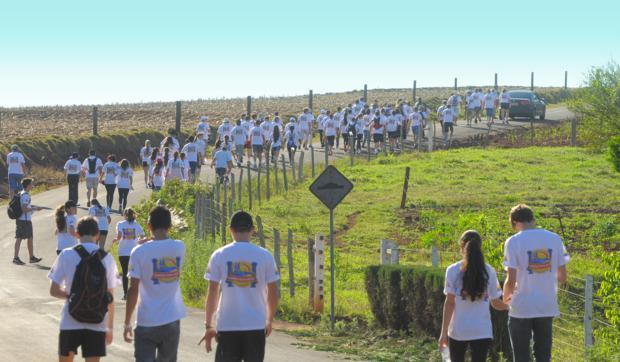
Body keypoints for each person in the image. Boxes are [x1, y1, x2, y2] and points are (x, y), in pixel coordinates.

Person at [200, 211, 280, 361]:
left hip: (227, 325)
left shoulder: (219, 255)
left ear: (230, 229)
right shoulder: (265, 256)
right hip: (256, 326)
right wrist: (269, 319)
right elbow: (273, 292)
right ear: (252, 230)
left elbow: (212, 292)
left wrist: (209, 325)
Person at [503, 204, 569, 362]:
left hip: (521, 307)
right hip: (546, 305)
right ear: (532, 219)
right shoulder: (555, 238)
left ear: (514, 222)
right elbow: (562, 277)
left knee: (521, 356)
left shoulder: (513, 242)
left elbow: (511, 280)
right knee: (543, 356)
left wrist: (506, 299)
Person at [48, 216, 118, 362]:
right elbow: (110, 297)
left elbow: (53, 290)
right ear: (98, 234)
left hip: (70, 319)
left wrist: (73, 296)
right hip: (97, 321)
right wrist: (109, 328)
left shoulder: (66, 254)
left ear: (77, 234)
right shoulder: (107, 258)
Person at [123, 206, 187, 362]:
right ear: (170, 226)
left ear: (149, 226)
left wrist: (127, 322)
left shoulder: (139, 252)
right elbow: (162, 244)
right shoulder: (179, 247)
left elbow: (133, 289)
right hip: (172, 319)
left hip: (147, 320)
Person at [439, 230, 508, 362]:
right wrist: (511, 307)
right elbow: (495, 302)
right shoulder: (489, 271)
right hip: (482, 331)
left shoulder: (452, 270)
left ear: (461, 247)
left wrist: (443, 334)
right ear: (480, 247)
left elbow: (450, 303)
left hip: (458, 331)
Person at [113, 208, 145, 300]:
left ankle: (126, 294)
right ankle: (134, 293)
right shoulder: (137, 225)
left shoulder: (120, 224)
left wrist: (115, 240)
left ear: (124, 215)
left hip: (123, 251)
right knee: (134, 273)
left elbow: (119, 237)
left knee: (125, 272)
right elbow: (142, 236)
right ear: (133, 215)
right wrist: (137, 240)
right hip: (134, 251)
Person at [13, 178, 43, 265]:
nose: (32, 185)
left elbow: (25, 206)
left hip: (21, 219)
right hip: (24, 220)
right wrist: (36, 209)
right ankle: (18, 258)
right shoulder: (25, 195)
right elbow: (25, 209)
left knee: (26, 238)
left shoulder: (22, 193)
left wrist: (33, 207)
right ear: (28, 185)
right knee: (21, 238)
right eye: (31, 184)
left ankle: (30, 257)